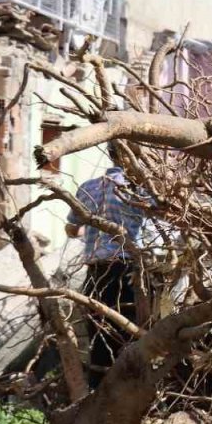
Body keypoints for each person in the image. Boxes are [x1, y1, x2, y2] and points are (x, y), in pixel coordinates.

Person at [65, 144, 151, 383]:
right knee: (129, 337)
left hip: (95, 273)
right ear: (132, 156)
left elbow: (72, 228)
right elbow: (164, 214)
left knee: (98, 338)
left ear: (110, 154)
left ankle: (97, 394)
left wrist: (86, 230)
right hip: (126, 272)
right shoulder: (137, 190)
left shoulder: (87, 188)